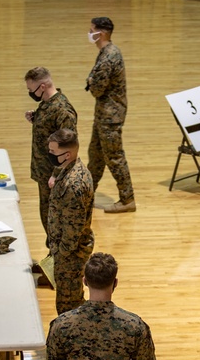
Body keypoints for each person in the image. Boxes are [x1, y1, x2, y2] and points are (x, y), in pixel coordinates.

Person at [86, 16, 135, 213]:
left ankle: (127, 199)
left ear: (102, 33)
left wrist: (91, 82)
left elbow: (97, 88)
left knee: (114, 157)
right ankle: (86, 196)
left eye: (92, 30)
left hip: (110, 116)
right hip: (104, 115)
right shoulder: (108, 51)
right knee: (96, 157)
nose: (90, 34)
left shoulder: (108, 56)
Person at [25, 66, 78, 240]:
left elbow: (68, 146)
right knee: (47, 218)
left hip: (53, 176)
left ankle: (56, 261)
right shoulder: (47, 105)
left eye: (30, 89)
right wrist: (36, 118)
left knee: (55, 223)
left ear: (42, 87)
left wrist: (57, 174)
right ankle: (51, 259)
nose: (29, 93)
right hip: (44, 172)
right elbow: (51, 131)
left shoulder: (63, 110)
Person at [47, 128, 95, 315]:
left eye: (53, 152)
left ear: (67, 154)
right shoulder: (70, 169)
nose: (50, 155)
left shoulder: (73, 184)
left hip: (70, 256)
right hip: (67, 252)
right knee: (72, 302)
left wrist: (60, 253)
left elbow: (72, 229)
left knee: (68, 308)